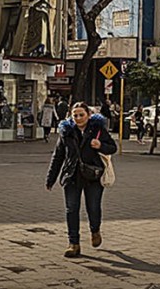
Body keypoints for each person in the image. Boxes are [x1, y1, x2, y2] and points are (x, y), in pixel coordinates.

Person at [46, 101, 117, 258]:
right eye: (75, 115)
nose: (78, 118)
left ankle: (95, 230)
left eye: (81, 115)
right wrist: (51, 178)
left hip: (93, 176)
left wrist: (100, 145)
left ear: (88, 115)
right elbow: (58, 156)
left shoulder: (97, 129)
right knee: (71, 210)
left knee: (93, 207)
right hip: (71, 176)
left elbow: (112, 147)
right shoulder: (66, 131)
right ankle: (74, 244)